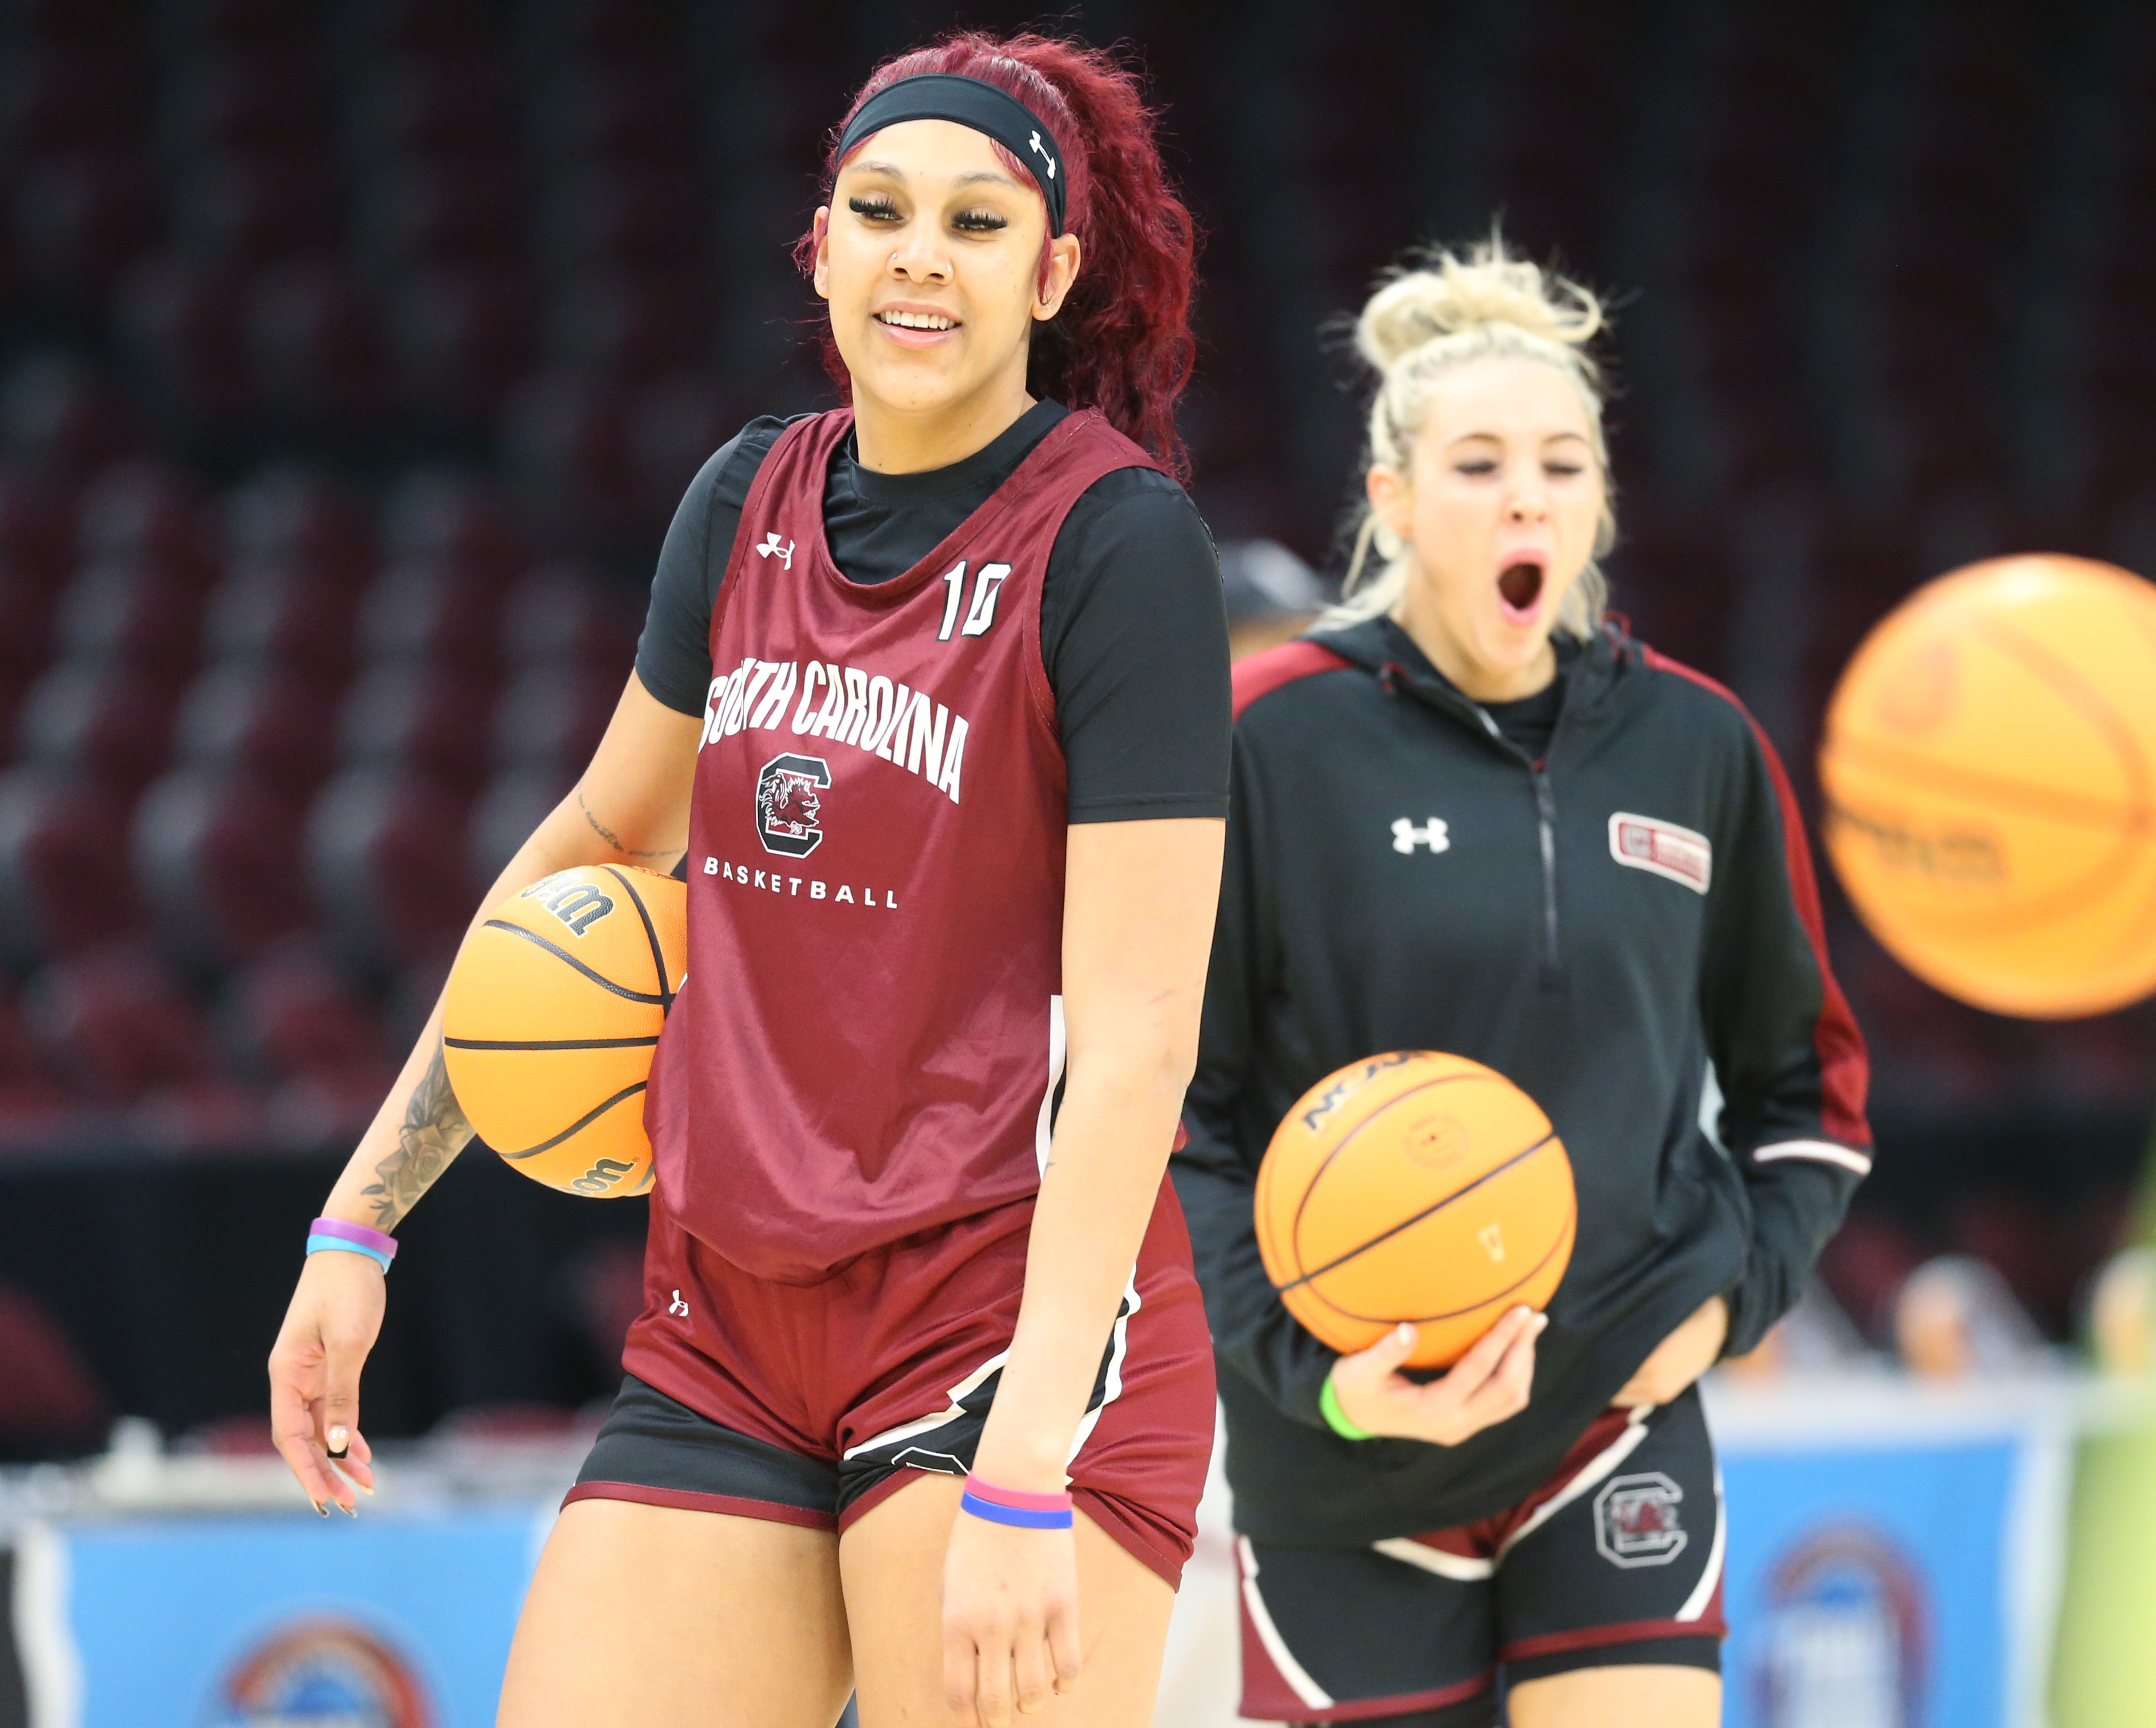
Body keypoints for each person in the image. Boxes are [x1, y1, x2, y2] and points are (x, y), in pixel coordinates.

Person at [268, 33, 1231, 1728]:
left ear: (1054, 272)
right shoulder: (744, 500)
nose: (919, 253)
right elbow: (585, 847)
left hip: (1005, 1319)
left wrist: (1023, 1470)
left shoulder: (1116, 544)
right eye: (879, 210)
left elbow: (1143, 1036)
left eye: (977, 222)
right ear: (823, 245)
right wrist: (363, 1216)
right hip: (728, 1313)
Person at [1172, 239, 1872, 1728]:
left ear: (1598, 502)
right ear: (1392, 500)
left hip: (1615, 1416)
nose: (1524, 498)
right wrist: (1324, 1378)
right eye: (1478, 464)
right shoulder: (1262, 741)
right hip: (1346, 1440)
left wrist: (1732, 1300)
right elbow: (1176, 1114)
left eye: (1560, 465)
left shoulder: (1699, 745)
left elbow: (1805, 1085)